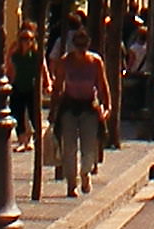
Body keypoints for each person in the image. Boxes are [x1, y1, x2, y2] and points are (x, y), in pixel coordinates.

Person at [46, 25, 114, 195]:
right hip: (69, 107)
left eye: (84, 46)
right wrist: (53, 110)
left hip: (89, 107)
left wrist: (107, 106)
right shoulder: (65, 61)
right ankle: (71, 183)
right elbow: (57, 87)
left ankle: (85, 173)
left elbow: (103, 86)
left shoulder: (95, 62)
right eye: (78, 45)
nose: (81, 49)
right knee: (68, 147)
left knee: (89, 146)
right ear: (73, 45)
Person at [11, 23, 44, 151]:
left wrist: (47, 82)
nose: (27, 42)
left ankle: (33, 140)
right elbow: (10, 68)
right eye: (24, 39)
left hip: (32, 87)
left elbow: (43, 68)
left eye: (30, 39)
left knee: (33, 115)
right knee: (17, 114)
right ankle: (21, 141)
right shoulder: (16, 54)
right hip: (18, 86)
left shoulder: (35, 54)